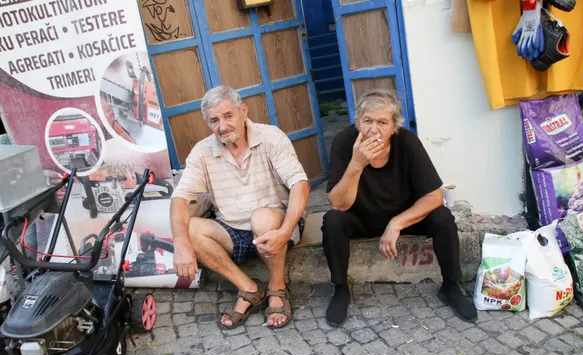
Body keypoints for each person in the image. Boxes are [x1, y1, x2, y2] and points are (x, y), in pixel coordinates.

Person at [322, 89, 477, 327]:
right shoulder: (344, 143)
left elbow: (434, 196)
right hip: (361, 218)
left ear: (394, 127)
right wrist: (356, 164)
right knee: (332, 220)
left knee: (442, 216)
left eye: (382, 122)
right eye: (368, 121)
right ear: (357, 122)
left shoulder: (406, 141)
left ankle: (450, 286)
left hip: (404, 217)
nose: (374, 130)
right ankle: (341, 289)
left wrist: (396, 223)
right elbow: (338, 204)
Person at [170, 86, 310, 330]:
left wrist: (285, 231)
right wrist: (180, 244)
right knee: (190, 228)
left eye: (228, 116)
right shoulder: (202, 151)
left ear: (243, 111)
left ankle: (277, 287)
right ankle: (249, 288)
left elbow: (300, 184)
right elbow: (179, 199)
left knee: (262, 217)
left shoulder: (270, 137)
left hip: (276, 224)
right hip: (232, 229)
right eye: (214, 120)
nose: (222, 126)